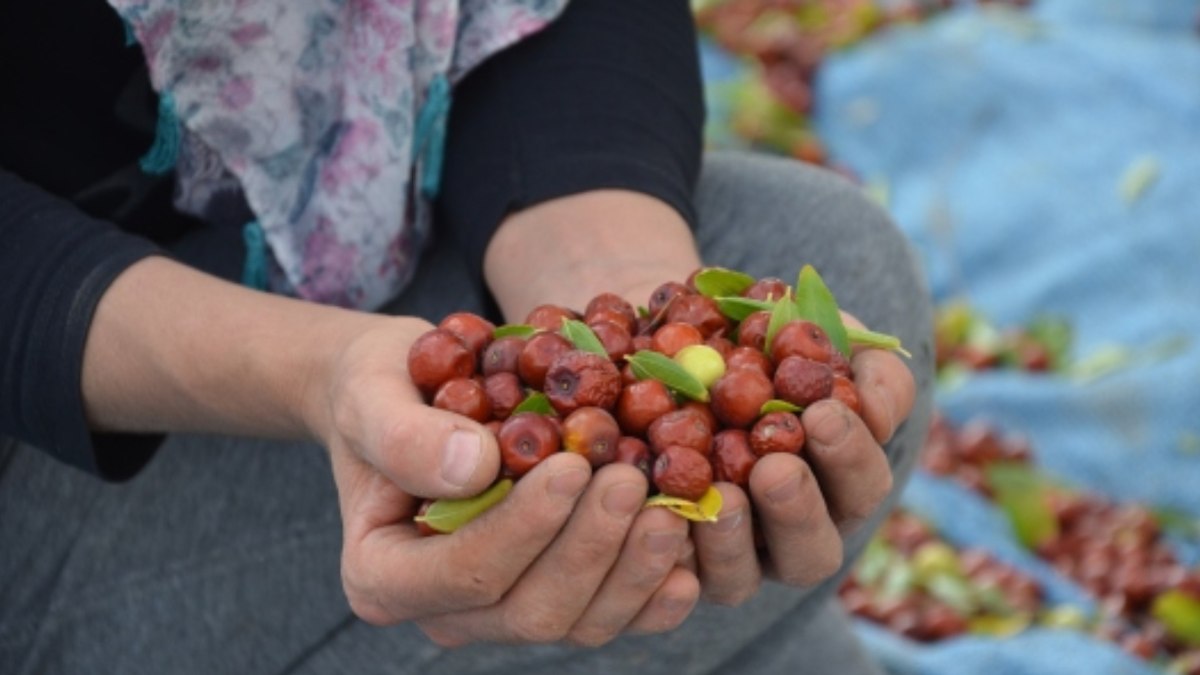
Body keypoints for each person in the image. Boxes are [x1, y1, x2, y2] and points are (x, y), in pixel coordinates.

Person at [0, 0, 932, 673]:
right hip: (50, 436)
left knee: (825, 261)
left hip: (323, 280)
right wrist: (320, 375)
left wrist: (600, 288)